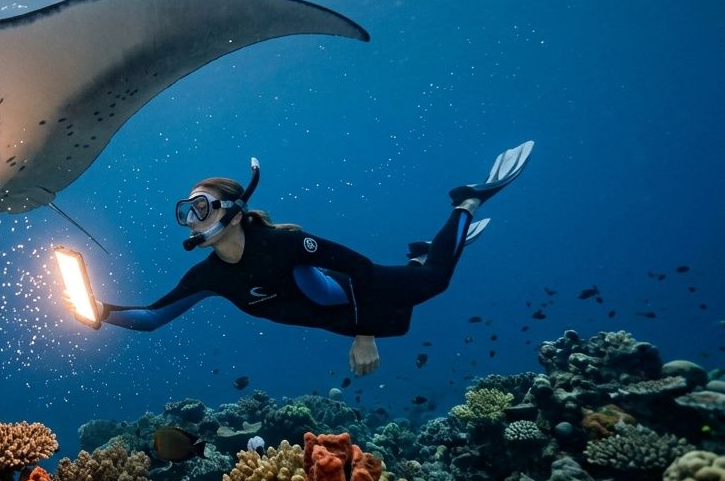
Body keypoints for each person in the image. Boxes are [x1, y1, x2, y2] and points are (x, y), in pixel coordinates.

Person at [75, 141, 534, 375]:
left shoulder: (282, 243)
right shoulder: (208, 276)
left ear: (232, 212)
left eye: (200, 207)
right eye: (185, 212)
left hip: (355, 296)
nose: (192, 219)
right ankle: (418, 257)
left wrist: (364, 333)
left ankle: (466, 202)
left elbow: (358, 267)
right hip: (332, 315)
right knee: (415, 280)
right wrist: (98, 312)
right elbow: (153, 317)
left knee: (435, 281)